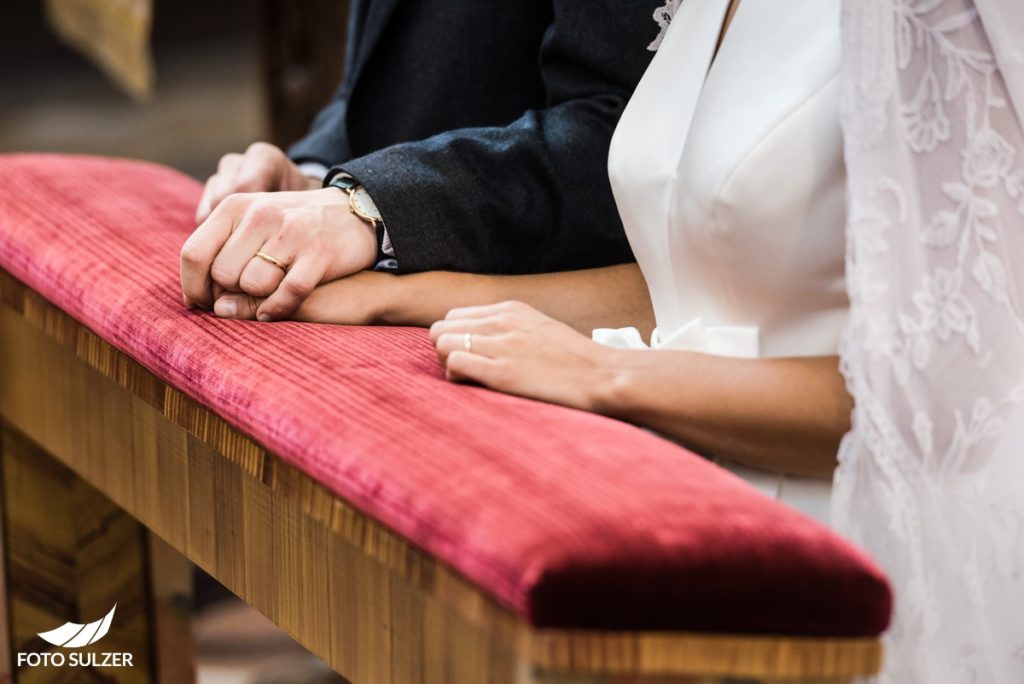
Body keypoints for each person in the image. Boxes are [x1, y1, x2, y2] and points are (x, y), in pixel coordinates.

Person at [211, 1, 1024, 681]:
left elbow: (944, 404)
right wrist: (403, 295)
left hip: (844, 562)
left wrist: (609, 374)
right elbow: (694, 266)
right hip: (675, 509)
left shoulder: (931, 19)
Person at [179, 0, 672, 321]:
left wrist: (376, 206)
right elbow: (393, 60)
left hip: (535, 319)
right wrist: (313, 174)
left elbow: (628, 127)